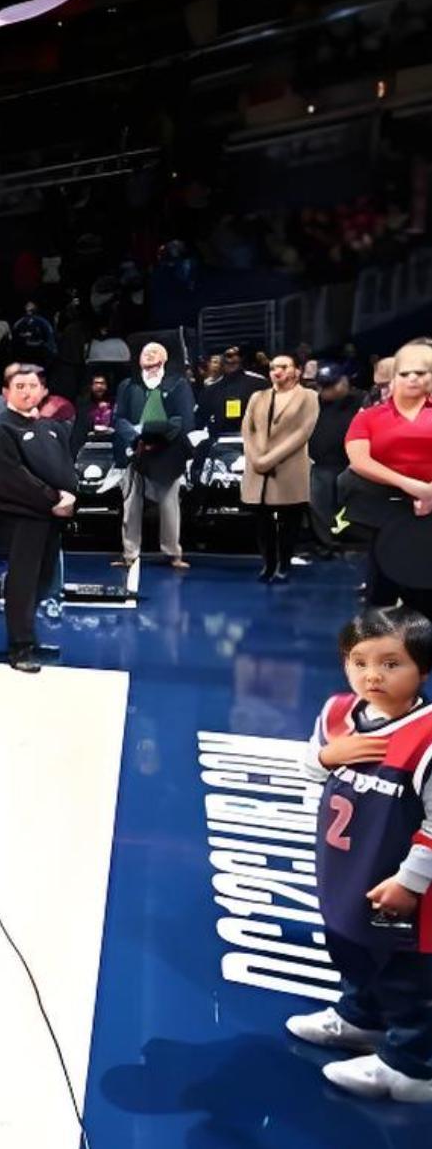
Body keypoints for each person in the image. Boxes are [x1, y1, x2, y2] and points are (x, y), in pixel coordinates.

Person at [288, 606, 432, 1103]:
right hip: (347, 865)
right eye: (359, 661)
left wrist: (411, 880)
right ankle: (361, 1017)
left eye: (391, 664)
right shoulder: (337, 714)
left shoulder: (426, 737)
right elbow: (309, 766)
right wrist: (327, 756)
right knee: (351, 945)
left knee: (406, 974)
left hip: (398, 878)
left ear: (423, 669)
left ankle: (413, 1066)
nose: (372, 675)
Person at [0, 365, 76, 673]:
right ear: (6, 392)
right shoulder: (0, 431)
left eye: (32, 386)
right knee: (23, 582)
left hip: (51, 519)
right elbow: (11, 478)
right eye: (19, 386)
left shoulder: (52, 427)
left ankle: (31, 637)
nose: (26, 392)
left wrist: (70, 495)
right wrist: (53, 499)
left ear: (43, 391)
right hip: (21, 518)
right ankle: (19, 647)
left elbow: (65, 466)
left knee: (44, 580)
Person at [346, 339, 432, 607]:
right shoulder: (368, 417)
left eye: (419, 373)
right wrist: (412, 486)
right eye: (403, 374)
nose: (411, 379)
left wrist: (429, 493)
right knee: (381, 593)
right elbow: (359, 461)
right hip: (384, 511)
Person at [115, 341, 196, 569]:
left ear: (164, 359)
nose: (149, 355)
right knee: (131, 504)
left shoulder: (178, 384)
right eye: (145, 352)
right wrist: (135, 438)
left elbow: (182, 421)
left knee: (169, 504)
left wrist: (153, 435)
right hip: (136, 451)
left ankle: (173, 553)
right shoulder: (128, 386)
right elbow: (119, 419)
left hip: (167, 452)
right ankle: (129, 553)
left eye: (154, 352)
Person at [240, 354, 319, 584]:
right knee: (262, 522)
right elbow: (247, 428)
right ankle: (268, 564)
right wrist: (255, 457)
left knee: (289, 521)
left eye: (283, 367)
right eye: (273, 367)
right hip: (258, 467)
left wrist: (270, 459)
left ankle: (284, 564)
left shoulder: (308, 397)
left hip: (289, 466)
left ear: (297, 370)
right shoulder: (258, 397)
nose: (277, 371)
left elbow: (303, 432)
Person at [309, 362, 362, 558]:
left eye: (330, 385)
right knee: (319, 507)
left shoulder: (360, 401)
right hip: (322, 464)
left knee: (354, 508)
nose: (325, 390)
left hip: (353, 465)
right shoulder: (313, 404)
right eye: (322, 386)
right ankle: (326, 545)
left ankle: (356, 545)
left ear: (343, 382)